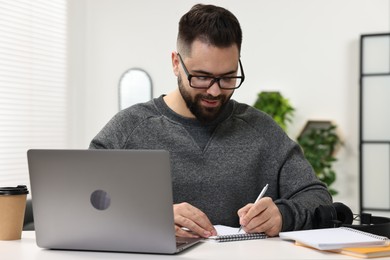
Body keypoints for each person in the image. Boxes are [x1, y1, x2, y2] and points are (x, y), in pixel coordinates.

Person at [89, 4, 332, 239]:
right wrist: (150, 217)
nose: (215, 92)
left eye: (227, 78)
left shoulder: (261, 130)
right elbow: (84, 200)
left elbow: (317, 196)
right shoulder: (129, 128)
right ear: (176, 63)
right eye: (202, 77)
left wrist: (283, 214)